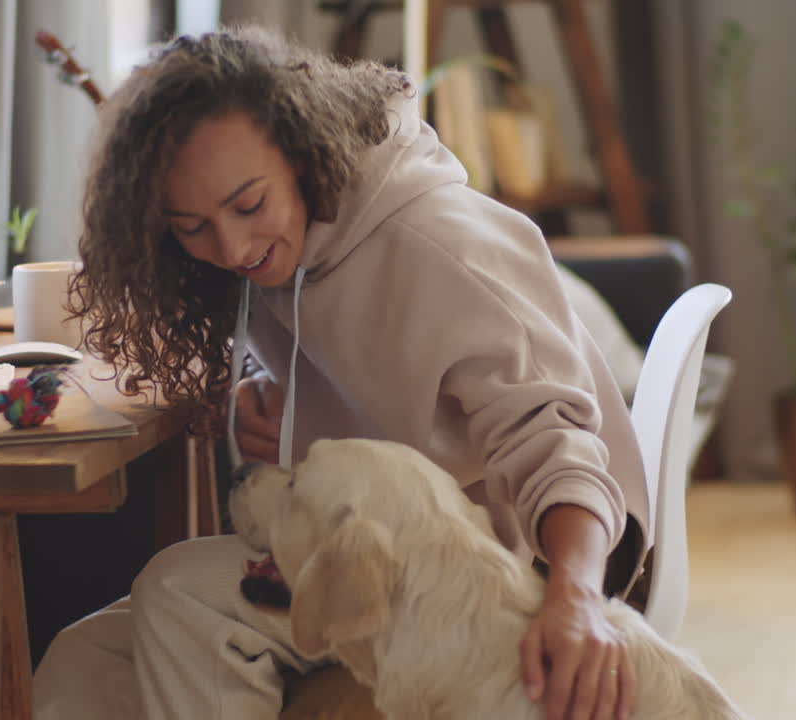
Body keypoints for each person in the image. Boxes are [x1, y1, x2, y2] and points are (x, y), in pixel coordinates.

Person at [34, 25, 649, 720]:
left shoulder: (439, 244)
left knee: (177, 591)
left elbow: (558, 443)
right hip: (372, 556)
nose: (231, 246)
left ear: (302, 152)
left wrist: (574, 599)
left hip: (499, 573)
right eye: (191, 226)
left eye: (247, 205)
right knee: (84, 662)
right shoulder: (286, 251)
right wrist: (274, 399)